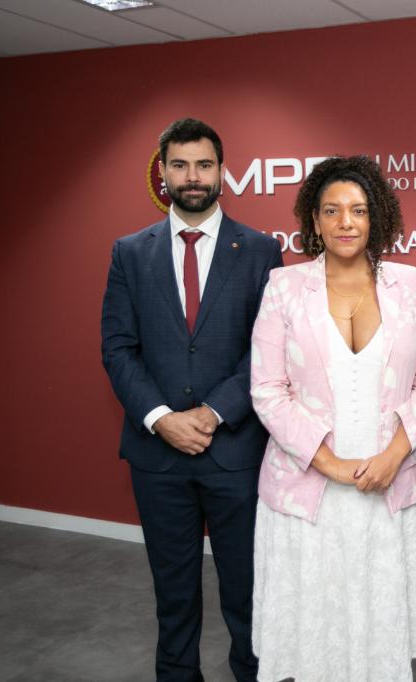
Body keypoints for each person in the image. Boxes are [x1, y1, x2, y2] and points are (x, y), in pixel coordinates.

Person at [101, 118, 282, 682]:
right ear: (163, 173)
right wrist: (161, 419)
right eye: (180, 165)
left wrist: (211, 412)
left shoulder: (260, 250)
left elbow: (269, 351)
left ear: (222, 171)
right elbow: (118, 348)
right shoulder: (130, 252)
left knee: (248, 593)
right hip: (158, 459)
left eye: (204, 164)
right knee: (173, 595)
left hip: (237, 454)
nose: (193, 176)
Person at [248, 155, 416, 682]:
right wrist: (330, 464)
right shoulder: (284, 287)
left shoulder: (409, 283)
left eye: (357, 210)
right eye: (331, 211)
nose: (345, 222)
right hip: (308, 491)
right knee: (315, 630)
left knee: (380, 632)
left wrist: (394, 456)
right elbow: (267, 390)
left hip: (387, 487)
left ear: (375, 217)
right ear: (314, 221)